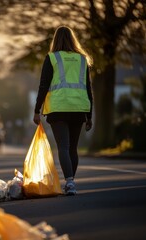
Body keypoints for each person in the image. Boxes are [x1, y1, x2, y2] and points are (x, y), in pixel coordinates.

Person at [33, 26, 93, 196]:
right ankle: (70, 182)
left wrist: (37, 110)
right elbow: (89, 88)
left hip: (59, 108)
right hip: (79, 108)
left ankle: (69, 182)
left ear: (55, 40)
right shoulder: (82, 59)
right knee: (73, 148)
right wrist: (90, 116)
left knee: (63, 147)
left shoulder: (52, 58)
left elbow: (43, 85)